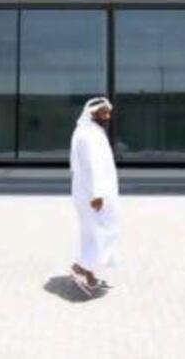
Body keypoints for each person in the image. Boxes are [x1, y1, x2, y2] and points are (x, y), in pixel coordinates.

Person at [69, 96, 120, 297]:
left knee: (97, 234)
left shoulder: (92, 132)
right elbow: (92, 166)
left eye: (108, 112)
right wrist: (97, 195)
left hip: (95, 195)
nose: (107, 116)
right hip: (93, 196)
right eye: (103, 112)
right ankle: (81, 270)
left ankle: (88, 271)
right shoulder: (87, 135)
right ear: (92, 113)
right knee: (98, 234)